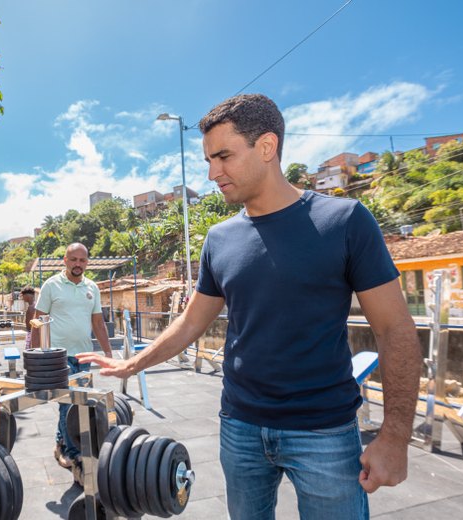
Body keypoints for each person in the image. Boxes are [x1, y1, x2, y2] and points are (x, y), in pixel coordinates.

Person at [78, 94, 422, 518]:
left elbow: (396, 330)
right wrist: (133, 364)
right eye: (207, 159)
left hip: (325, 432)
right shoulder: (219, 239)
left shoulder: (345, 222)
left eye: (223, 156)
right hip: (240, 428)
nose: (211, 173)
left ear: (266, 147)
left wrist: (395, 436)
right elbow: (190, 323)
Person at [36, 243, 113, 486]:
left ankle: (60, 442)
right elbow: (38, 321)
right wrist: (37, 356)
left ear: (87, 262)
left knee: (80, 404)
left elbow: (98, 322)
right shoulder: (51, 285)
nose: (78, 264)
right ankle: (72, 453)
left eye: (82, 260)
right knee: (68, 405)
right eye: (74, 259)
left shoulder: (92, 288)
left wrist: (108, 355)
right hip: (58, 356)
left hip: (85, 357)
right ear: (65, 260)